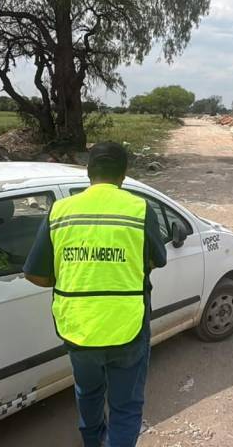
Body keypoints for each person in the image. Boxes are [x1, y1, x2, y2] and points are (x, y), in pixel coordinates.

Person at [24, 142, 167, 447]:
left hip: (78, 327)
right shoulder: (140, 209)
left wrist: (75, 276)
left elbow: (35, 274)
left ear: (88, 172)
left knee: (88, 393)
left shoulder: (60, 210)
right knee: (125, 405)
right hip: (128, 327)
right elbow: (157, 260)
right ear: (124, 175)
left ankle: (92, 442)